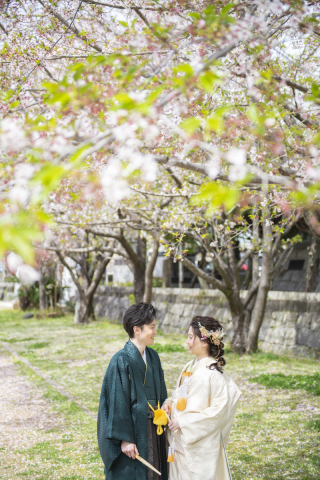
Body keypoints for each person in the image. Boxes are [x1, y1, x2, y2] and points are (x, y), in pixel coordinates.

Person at [97, 302, 169, 480]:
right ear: (137, 329)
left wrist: (166, 405)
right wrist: (125, 438)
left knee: (154, 471)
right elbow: (116, 402)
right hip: (133, 432)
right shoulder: (121, 360)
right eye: (151, 327)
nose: (155, 331)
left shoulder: (153, 357)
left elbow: (161, 394)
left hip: (154, 427)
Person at [166, 316, 241, 480]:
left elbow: (217, 413)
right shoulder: (190, 366)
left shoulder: (213, 374)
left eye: (191, 337)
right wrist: (169, 405)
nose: (187, 341)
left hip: (199, 446)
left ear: (205, 341)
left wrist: (184, 422)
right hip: (180, 442)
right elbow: (179, 394)